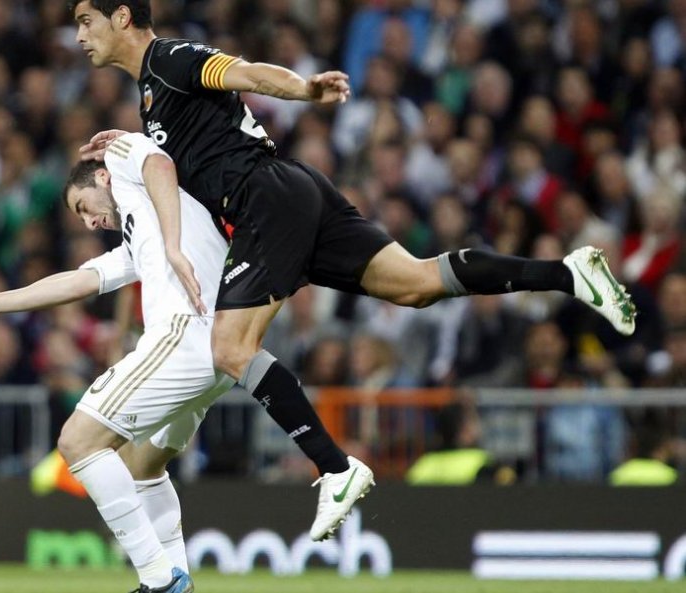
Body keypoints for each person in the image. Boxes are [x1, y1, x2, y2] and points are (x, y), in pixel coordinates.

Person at [70, 0, 637, 540]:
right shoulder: (151, 94)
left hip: (263, 200)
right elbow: (193, 145)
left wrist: (303, 90)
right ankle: (568, 274)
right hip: (295, 190)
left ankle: (335, 470)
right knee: (417, 284)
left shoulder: (167, 60)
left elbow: (241, 72)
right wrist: (136, 142)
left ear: (122, 16)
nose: (79, 36)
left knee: (228, 347)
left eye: (86, 20)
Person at [0, 133, 231, 593]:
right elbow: (79, 280)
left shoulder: (150, 193)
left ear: (105, 177)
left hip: (184, 338)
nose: (89, 222)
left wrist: (123, 141)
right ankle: (175, 577)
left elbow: (158, 155)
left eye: (84, 206)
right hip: (219, 351)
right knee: (145, 467)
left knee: (77, 441)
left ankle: (159, 580)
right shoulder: (140, 237)